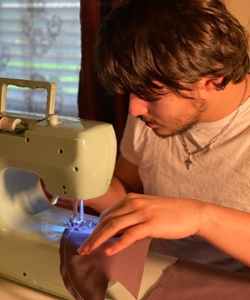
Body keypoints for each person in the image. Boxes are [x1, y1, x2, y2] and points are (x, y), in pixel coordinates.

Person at [75, 0, 250, 271]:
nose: (134, 109)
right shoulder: (151, 116)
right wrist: (81, 186)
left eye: (150, 94)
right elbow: (129, 194)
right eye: (132, 92)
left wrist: (200, 217)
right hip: (157, 273)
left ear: (212, 77)